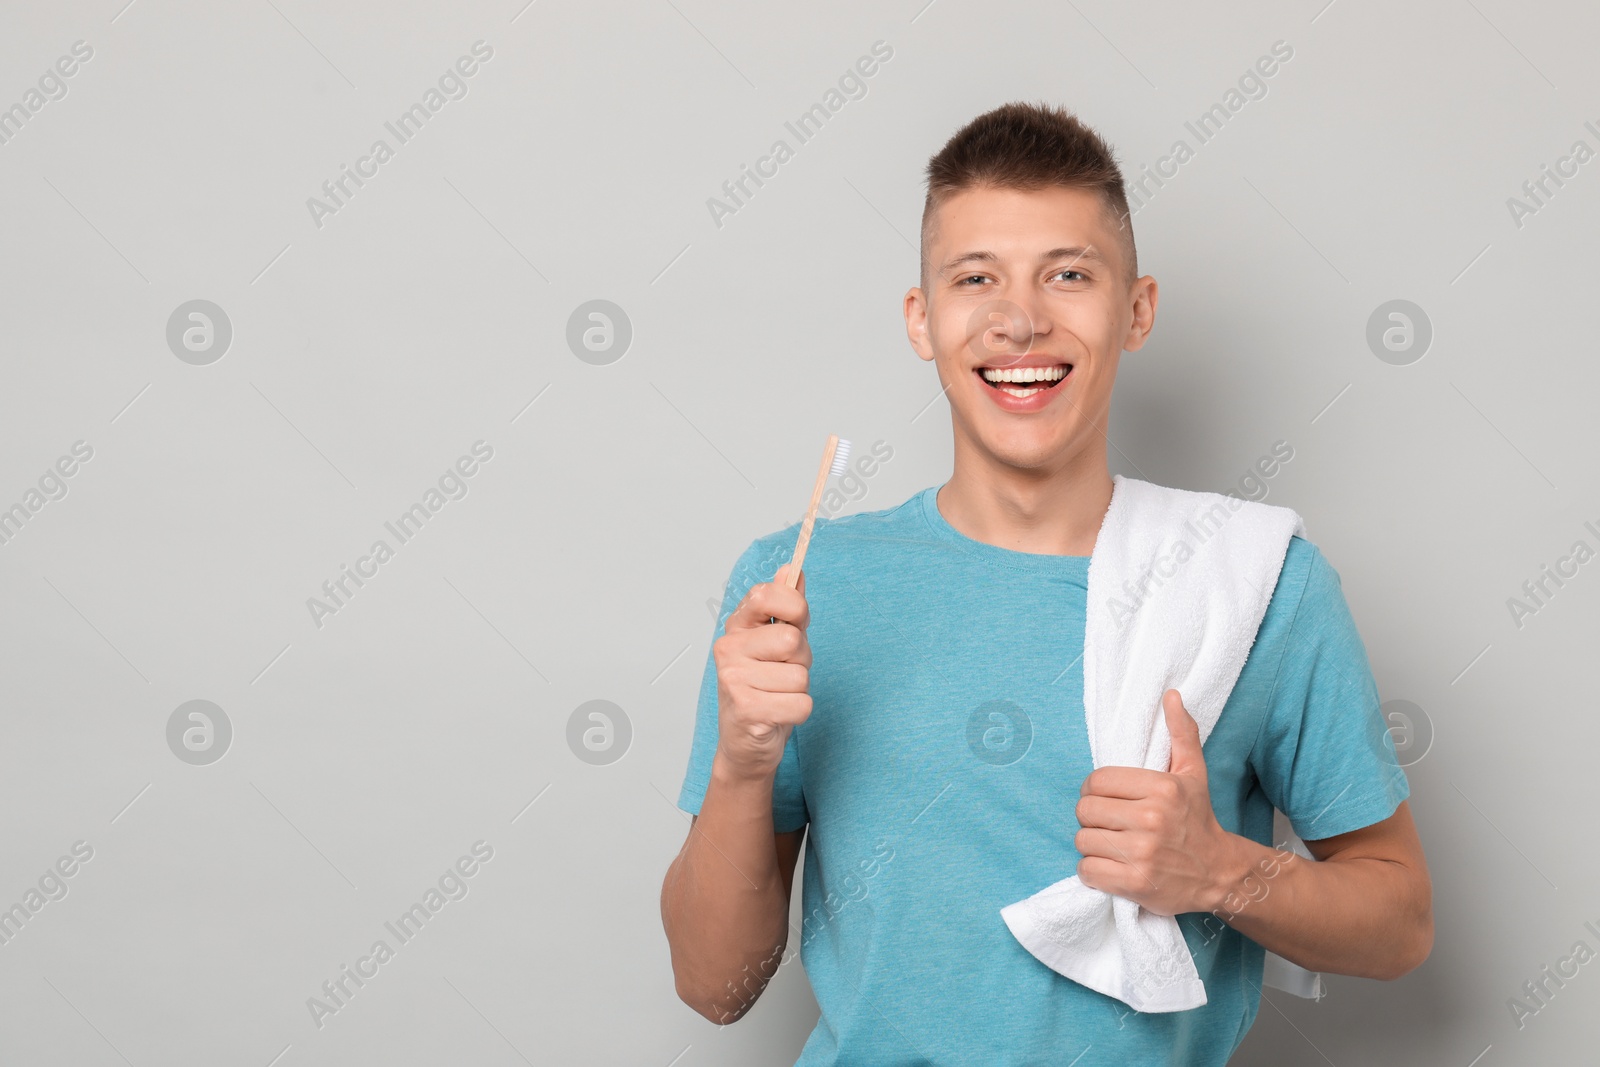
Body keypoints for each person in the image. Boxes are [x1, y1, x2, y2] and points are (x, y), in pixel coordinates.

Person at [659, 100, 1432, 1065]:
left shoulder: (1254, 583)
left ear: (1137, 310)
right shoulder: (801, 590)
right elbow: (713, 986)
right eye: (974, 278)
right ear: (922, 318)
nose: (1020, 320)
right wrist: (740, 765)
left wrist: (1222, 870)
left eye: (1068, 275)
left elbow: (1400, 922)